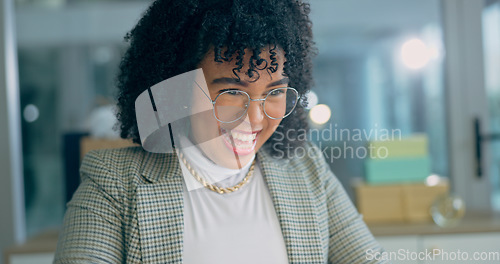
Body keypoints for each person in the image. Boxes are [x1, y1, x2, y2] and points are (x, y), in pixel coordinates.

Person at [54, 0, 386, 263]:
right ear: (178, 91)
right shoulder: (114, 185)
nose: (255, 118)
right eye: (231, 93)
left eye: (274, 92)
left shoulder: (307, 170)